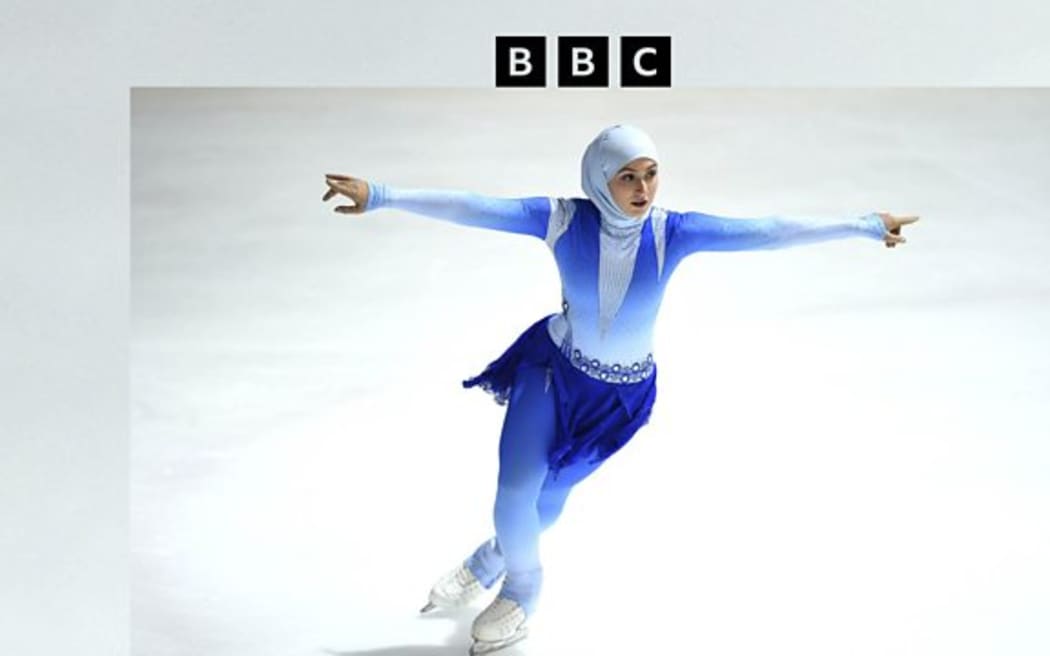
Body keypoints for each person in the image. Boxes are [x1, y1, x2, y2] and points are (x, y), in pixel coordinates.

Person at [321, 124, 918, 655]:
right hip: (551, 370)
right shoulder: (560, 220)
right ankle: (524, 590)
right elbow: (478, 206)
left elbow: (766, 231)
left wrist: (866, 226)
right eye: (627, 176)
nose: (642, 188)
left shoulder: (672, 233)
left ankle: (492, 558)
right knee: (512, 495)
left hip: (617, 399)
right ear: (599, 179)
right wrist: (382, 195)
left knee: (546, 501)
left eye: (651, 174)